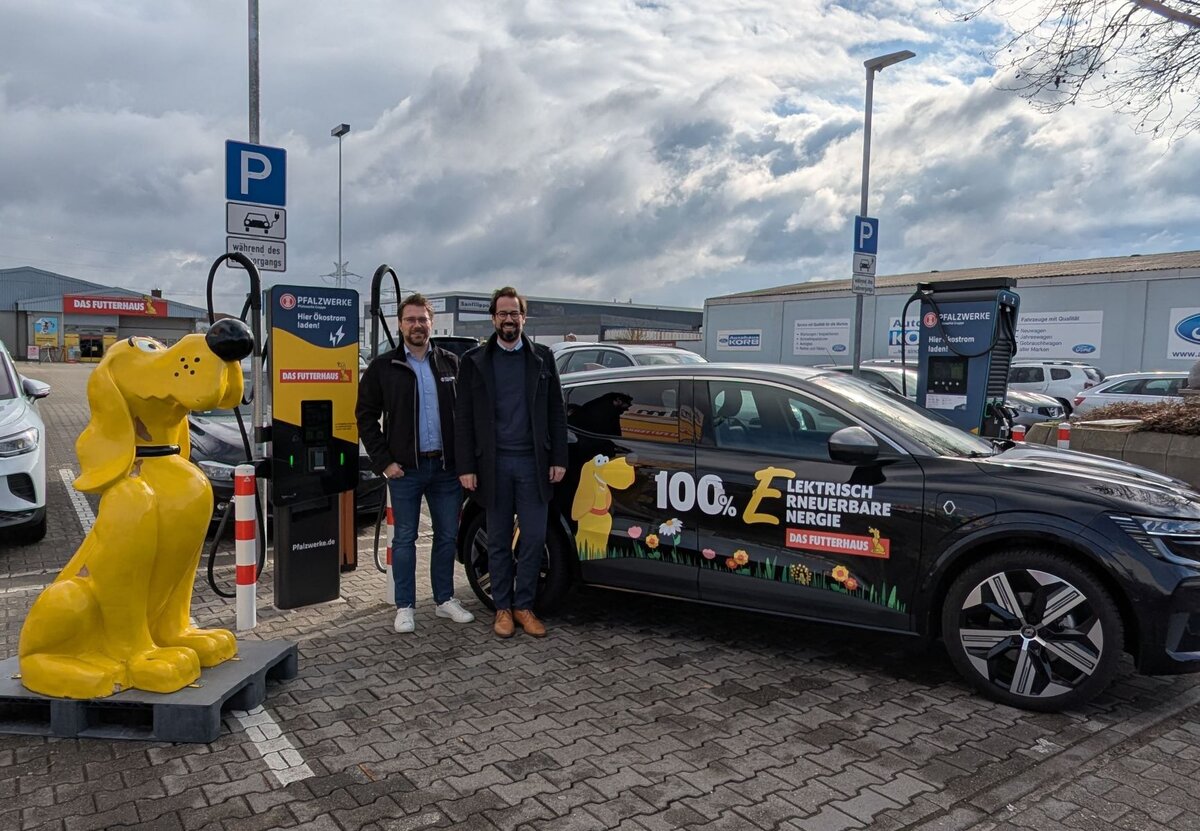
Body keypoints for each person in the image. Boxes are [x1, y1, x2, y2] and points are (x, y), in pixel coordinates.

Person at [356, 293, 475, 634]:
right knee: (405, 539)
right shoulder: (384, 367)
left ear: (431, 323)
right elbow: (365, 417)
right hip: (404, 470)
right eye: (410, 319)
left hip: (445, 469)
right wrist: (385, 461)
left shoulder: (451, 363)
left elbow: (465, 418)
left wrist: (464, 464)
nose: (417, 325)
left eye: (422, 319)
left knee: (446, 536)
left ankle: (444, 600)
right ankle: (405, 606)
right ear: (400, 324)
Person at [455, 287, 569, 638]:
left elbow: (555, 411)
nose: (508, 319)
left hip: (533, 465)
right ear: (493, 318)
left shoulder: (542, 358)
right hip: (493, 466)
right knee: (500, 539)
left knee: (534, 538)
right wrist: (466, 466)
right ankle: (502, 608)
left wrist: (558, 458)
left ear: (523, 318)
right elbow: (463, 419)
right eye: (502, 313)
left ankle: (524, 606)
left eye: (514, 313)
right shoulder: (475, 362)